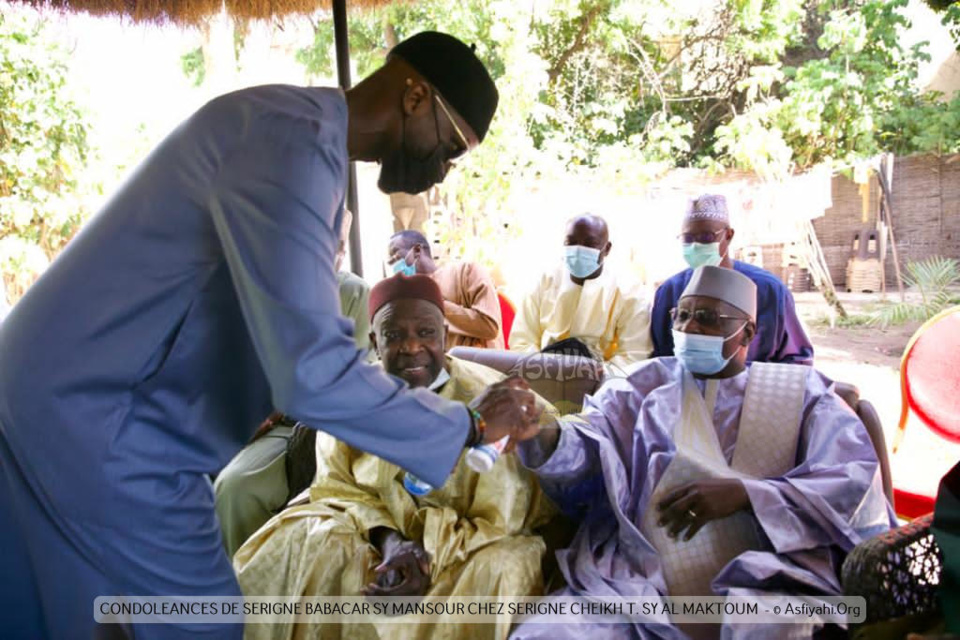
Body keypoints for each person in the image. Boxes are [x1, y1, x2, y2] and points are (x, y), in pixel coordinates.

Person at [0, 31, 541, 640]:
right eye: (448, 146)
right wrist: (466, 425)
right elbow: (310, 368)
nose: (440, 168)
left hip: (49, 391)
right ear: (415, 96)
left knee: (50, 614)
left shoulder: (303, 145)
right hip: (103, 422)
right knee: (203, 621)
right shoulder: (292, 147)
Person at [509, 266, 895, 639]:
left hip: (769, 576)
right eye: (682, 316)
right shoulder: (642, 386)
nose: (689, 328)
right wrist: (543, 434)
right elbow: (591, 443)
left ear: (747, 333)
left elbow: (851, 484)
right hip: (642, 577)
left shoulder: (804, 394)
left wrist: (750, 496)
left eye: (708, 318)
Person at [234, 274, 557, 640]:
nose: (411, 346)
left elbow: (504, 513)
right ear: (374, 341)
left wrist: (426, 553)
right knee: (296, 537)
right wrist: (390, 542)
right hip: (369, 527)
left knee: (498, 570)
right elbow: (336, 486)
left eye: (425, 332)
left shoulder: (490, 401)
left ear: (446, 337)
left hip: (470, 543)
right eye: (394, 335)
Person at [213, 211, 372, 558]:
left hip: (305, 427)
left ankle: (247, 598)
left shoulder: (352, 293)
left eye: (339, 245)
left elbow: (341, 380)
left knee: (237, 487)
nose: (332, 252)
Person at [650, 194, 814, 365]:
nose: (696, 245)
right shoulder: (670, 291)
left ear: (728, 235)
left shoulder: (768, 290)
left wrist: (753, 384)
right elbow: (661, 358)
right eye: (688, 239)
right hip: (686, 388)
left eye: (706, 237)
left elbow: (797, 360)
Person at [509, 213, 652, 374]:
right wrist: (543, 372)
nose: (578, 250)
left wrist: (591, 379)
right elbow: (522, 340)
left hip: (603, 385)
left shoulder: (630, 292)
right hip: (540, 374)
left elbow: (633, 355)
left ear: (607, 249)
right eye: (571, 242)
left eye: (589, 244)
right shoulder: (545, 281)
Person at [387, 229, 504, 349]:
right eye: (390, 260)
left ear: (417, 250)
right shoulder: (409, 302)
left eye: (395, 254)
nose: (392, 263)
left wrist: (434, 303)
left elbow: (490, 326)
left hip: (477, 365)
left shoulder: (466, 271)